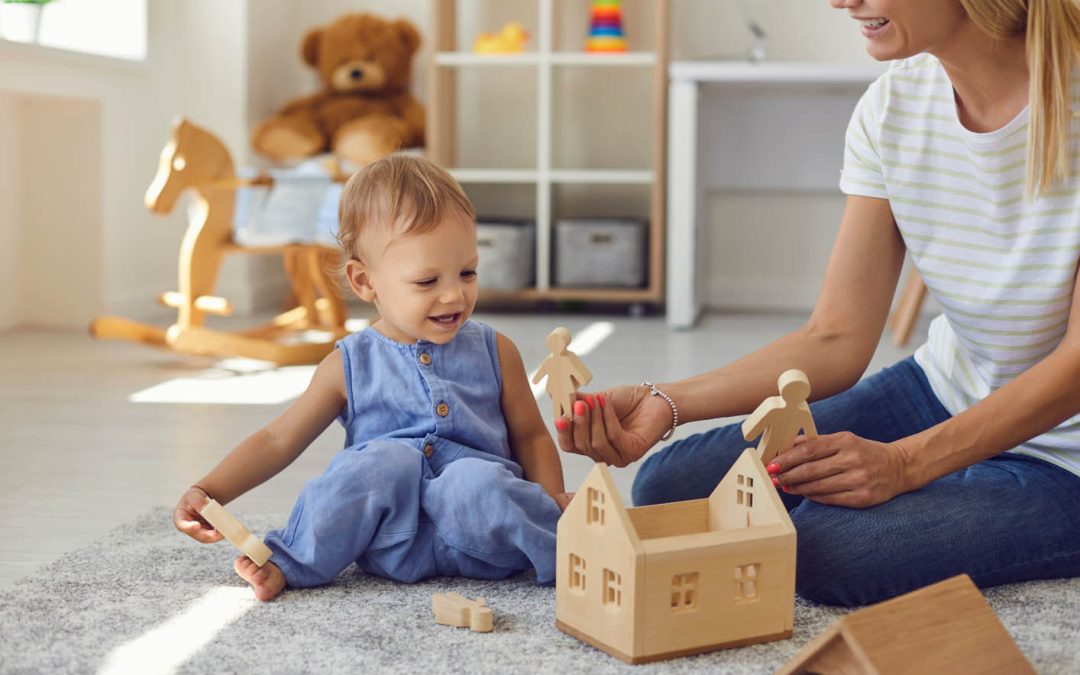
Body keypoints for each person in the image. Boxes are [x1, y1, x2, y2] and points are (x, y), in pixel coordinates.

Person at [557, 0, 1080, 608]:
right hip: (946, 390)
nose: (841, 1)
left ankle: (987, 494)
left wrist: (907, 465)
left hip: (1066, 457)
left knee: (821, 548)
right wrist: (665, 403)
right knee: (673, 488)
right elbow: (835, 337)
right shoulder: (893, 107)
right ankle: (963, 481)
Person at [173, 155, 572, 601]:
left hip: (485, 537)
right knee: (379, 463)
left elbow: (532, 436)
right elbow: (277, 439)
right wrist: (210, 490)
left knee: (474, 480)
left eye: (467, 272)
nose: (454, 293)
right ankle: (291, 562)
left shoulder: (496, 350)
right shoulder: (348, 364)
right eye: (426, 281)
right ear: (365, 282)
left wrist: (549, 500)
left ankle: (568, 550)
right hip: (389, 542)